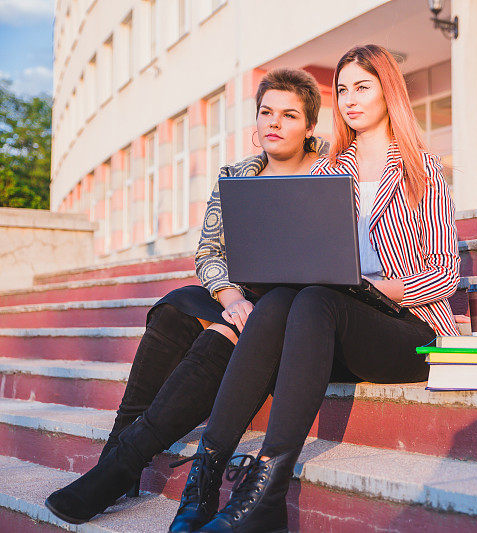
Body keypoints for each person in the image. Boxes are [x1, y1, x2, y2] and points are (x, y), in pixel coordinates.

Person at [169, 44, 460, 533]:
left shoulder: (420, 168)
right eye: (342, 89)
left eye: (362, 87)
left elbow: (446, 274)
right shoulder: (327, 170)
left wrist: (376, 287)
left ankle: (265, 490)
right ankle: (205, 476)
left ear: (388, 92)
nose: (348, 98)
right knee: (287, 296)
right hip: (325, 322)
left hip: (408, 330)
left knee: (318, 297)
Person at [44, 68, 328, 530]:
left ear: (310, 126)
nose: (274, 123)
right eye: (266, 112)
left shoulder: (330, 175)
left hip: (290, 310)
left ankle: (116, 470)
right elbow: (209, 252)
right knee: (176, 306)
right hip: (241, 296)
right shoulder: (237, 175)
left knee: (220, 333)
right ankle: (115, 457)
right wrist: (230, 295)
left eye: (289, 115)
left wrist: (243, 311)